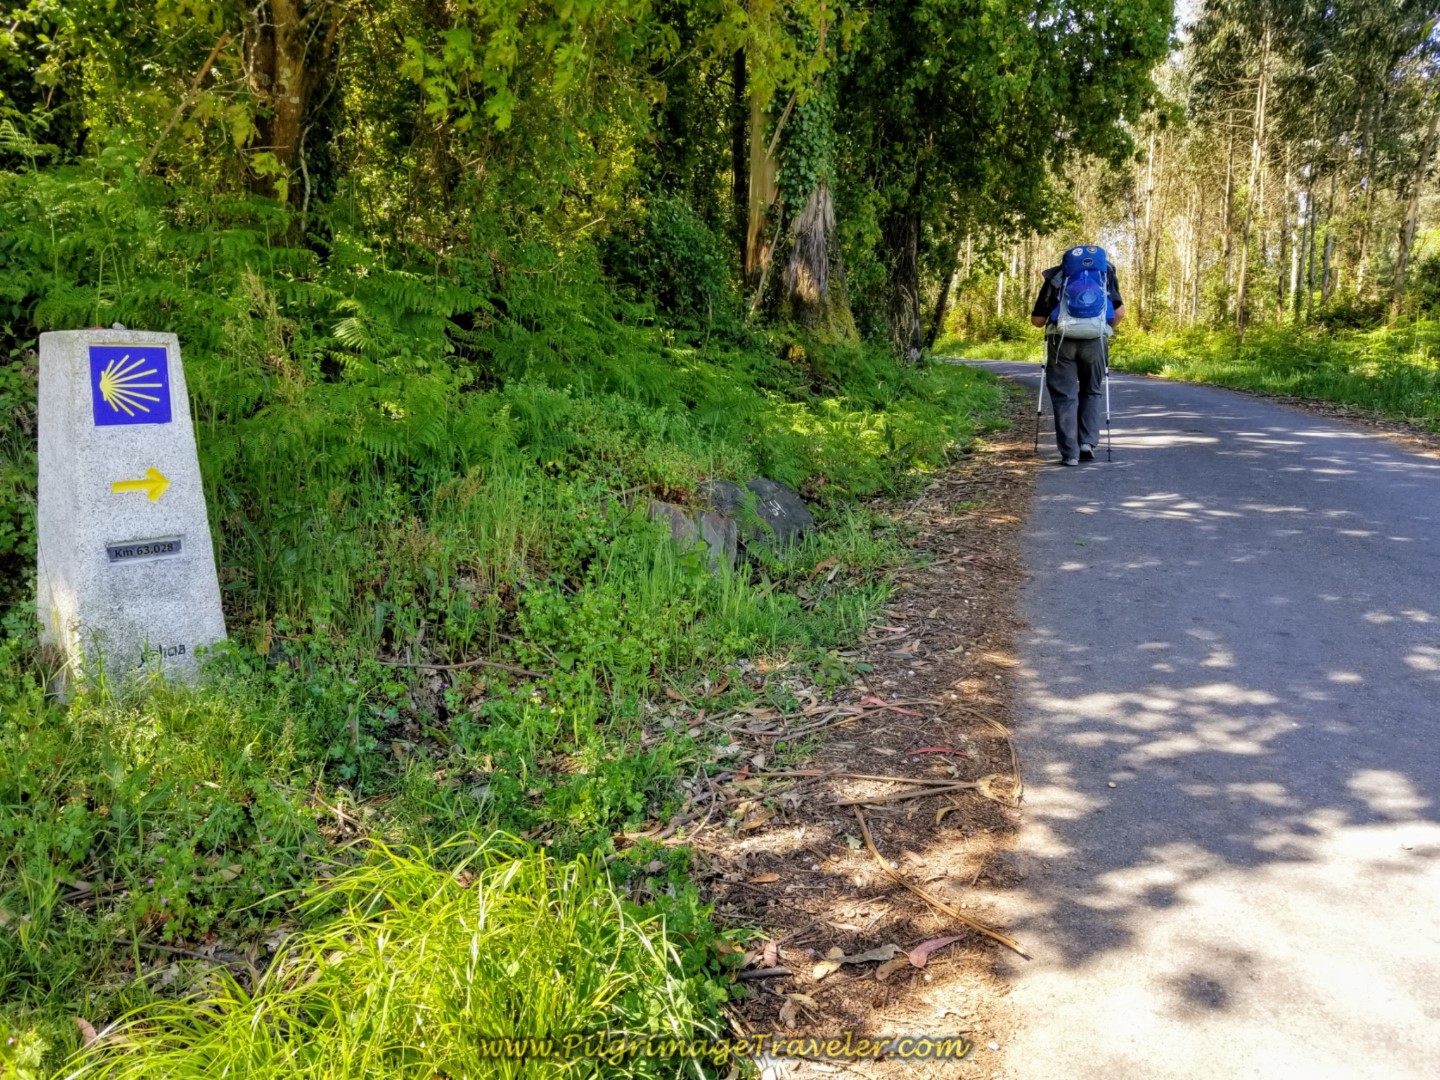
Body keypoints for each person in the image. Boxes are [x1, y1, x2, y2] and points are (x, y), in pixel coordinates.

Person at [1030, 251, 1124, 465]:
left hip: (1061, 341)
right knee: (1091, 390)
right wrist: (1100, 327)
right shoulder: (1104, 277)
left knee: (1065, 396)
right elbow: (1119, 314)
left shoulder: (1057, 277)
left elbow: (1037, 320)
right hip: (1095, 341)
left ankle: (1070, 454)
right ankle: (1087, 443)